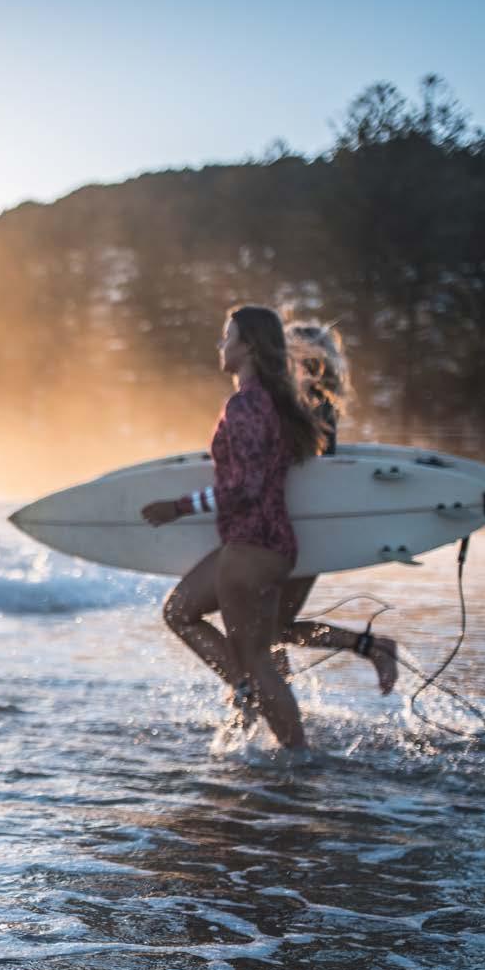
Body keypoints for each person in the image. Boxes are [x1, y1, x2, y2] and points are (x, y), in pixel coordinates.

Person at [141, 305, 324, 750]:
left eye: (228, 337)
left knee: (258, 660)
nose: (221, 346)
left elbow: (246, 486)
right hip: (262, 544)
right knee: (180, 611)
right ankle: (246, 691)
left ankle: (297, 757)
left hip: (251, 546)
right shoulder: (271, 401)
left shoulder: (246, 404)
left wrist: (179, 507)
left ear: (248, 347)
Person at [275, 321, 398, 695]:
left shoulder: (310, 406)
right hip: (293, 525)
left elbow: (309, 472)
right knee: (268, 628)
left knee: (268, 628)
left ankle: (374, 647)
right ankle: (263, 705)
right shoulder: (309, 403)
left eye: (285, 352)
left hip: (301, 528)